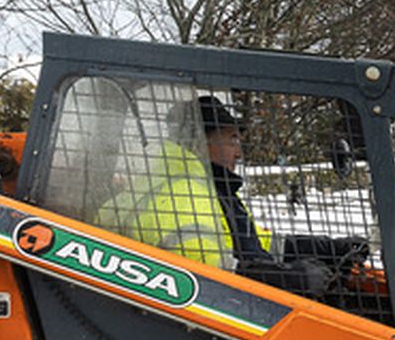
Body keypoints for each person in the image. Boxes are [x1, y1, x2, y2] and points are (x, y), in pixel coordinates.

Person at [95, 95, 270, 269]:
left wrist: (288, 248)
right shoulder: (185, 196)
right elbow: (205, 270)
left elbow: (242, 240)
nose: (238, 153)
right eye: (232, 140)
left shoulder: (214, 189)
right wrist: (262, 274)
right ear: (199, 143)